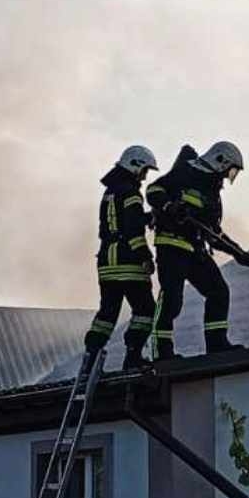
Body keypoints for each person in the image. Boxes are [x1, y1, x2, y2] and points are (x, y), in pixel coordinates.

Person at [146, 140, 248, 359]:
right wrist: (170, 206)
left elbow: (214, 233)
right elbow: (153, 190)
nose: (228, 176)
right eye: (230, 169)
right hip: (172, 245)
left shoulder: (212, 192)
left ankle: (217, 344)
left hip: (195, 249)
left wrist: (238, 252)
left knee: (219, 291)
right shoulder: (185, 171)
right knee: (172, 298)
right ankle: (162, 352)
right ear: (220, 160)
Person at [83, 144, 161, 369]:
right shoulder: (131, 192)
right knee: (145, 309)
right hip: (127, 260)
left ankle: (91, 357)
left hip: (107, 259)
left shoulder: (110, 192)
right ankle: (133, 355)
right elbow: (133, 229)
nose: (145, 177)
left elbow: (118, 222)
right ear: (134, 165)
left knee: (107, 312)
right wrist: (145, 256)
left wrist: (148, 218)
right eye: (144, 170)